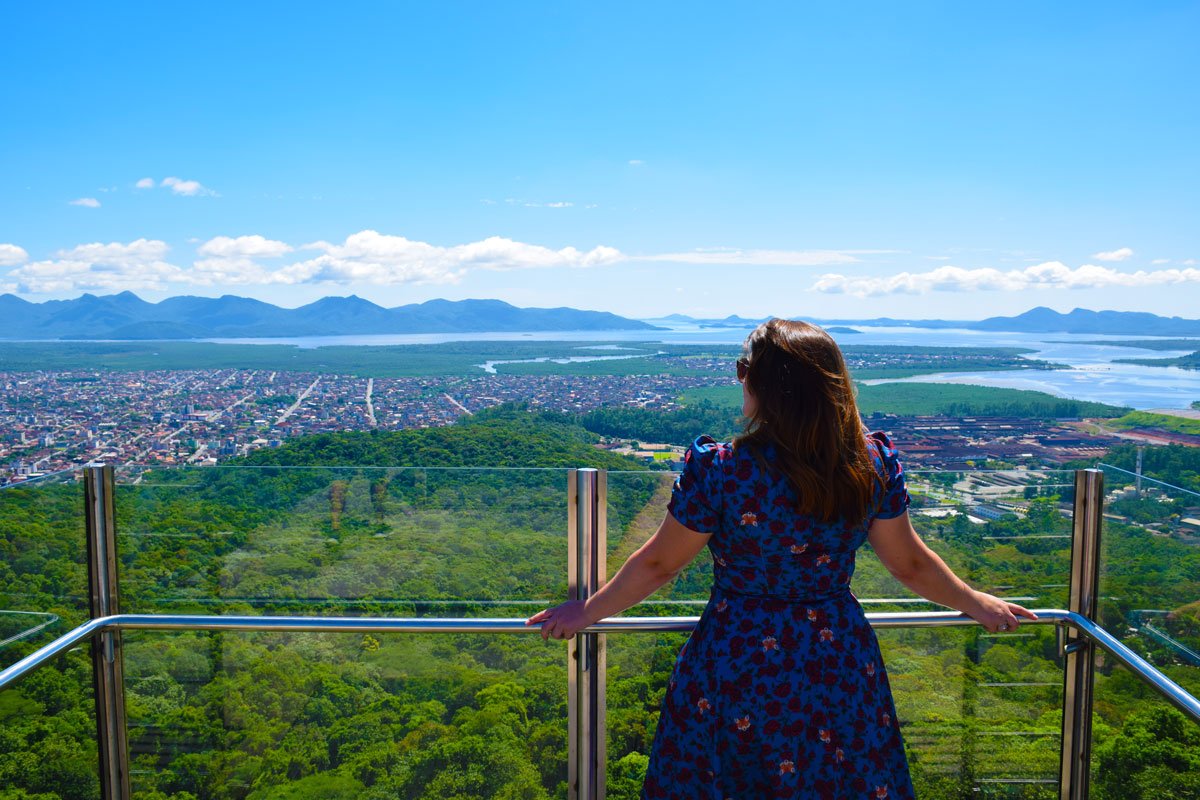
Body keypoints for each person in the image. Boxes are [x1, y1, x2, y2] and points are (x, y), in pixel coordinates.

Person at [527, 318, 1036, 799]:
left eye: (743, 371)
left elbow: (661, 565)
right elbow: (910, 565)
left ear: (760, 385)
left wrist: (585, 611)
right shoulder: (870, 464)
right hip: (836, 660)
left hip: (738, 657)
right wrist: (978, 604)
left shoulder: (723, 470)